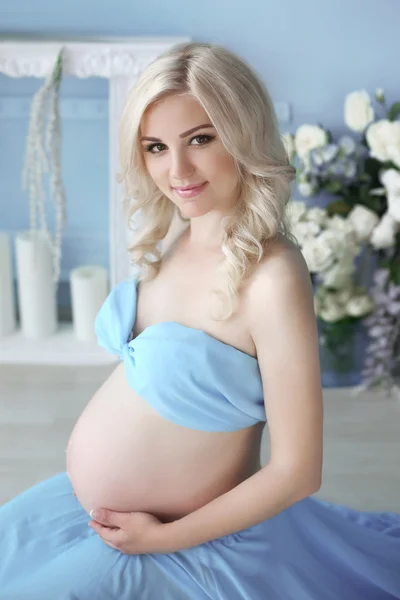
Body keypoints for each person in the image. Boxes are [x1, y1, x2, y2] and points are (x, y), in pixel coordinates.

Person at [0, 41, 399, 600]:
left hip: (184, 542)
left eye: (200, 140)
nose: (177, 170)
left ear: (244, 133)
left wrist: (162, 539)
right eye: (156, 147)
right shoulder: (180, 233)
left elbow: (298, 470)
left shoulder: (273, 277)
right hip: (92, 508)